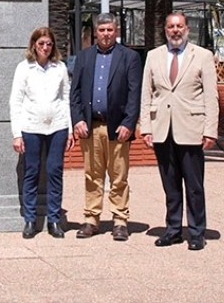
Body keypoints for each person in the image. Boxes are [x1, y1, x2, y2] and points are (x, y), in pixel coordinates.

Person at [140, 12, 218, 251]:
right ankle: (173, 230)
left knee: (194, 186)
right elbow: (146, 94)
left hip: (191, 129)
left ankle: (196, 232)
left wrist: (210, 131)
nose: (175, 30)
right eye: (171, 26)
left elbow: (211, 96)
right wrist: (145, 127)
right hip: (162, 129)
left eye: (179, 26)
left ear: (187, 29)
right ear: (165, 29)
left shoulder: (203, 56)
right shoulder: (154, 56)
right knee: (170, 185)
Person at [69, 13, 143, 241]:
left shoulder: (129, 57)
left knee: (119, 176)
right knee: (93, 175)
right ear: (95, 32)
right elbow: (76, 93)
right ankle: (92, 219)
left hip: (118, 128)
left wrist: (129, 123)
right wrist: (78, 120)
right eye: (102, 30)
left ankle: (120, 220)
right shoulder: (83, 57)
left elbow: (134, 93)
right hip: (91, 127)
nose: (106, 34)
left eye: (110, 30)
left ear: (116, 31)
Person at [9, 27, 72, 239]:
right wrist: (17, 133)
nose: (45, 47)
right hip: (31, 127)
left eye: (49, 44)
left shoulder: (59, 67)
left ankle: (54, 220)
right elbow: (15, 101)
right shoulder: (24, 68)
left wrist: (70, 130)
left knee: (55, 172)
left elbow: (66, 99)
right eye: (41, 43)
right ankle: (30, 220)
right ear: (34, 45)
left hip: (57, 127)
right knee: (32, 172)